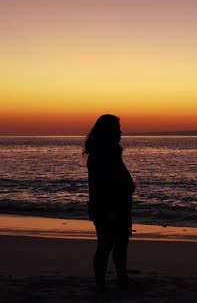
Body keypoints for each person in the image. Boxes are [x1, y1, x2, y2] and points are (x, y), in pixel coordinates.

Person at [83, 114, 135, 292]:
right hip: (108, 206)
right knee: (106, 245)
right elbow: (107, 182)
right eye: (117, 128)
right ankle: (103, 284)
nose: (121, 132)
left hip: (113, 205)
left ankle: (119, 279)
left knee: (118, 243)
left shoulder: (109, 152)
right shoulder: (103, 154)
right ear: (109, 131)